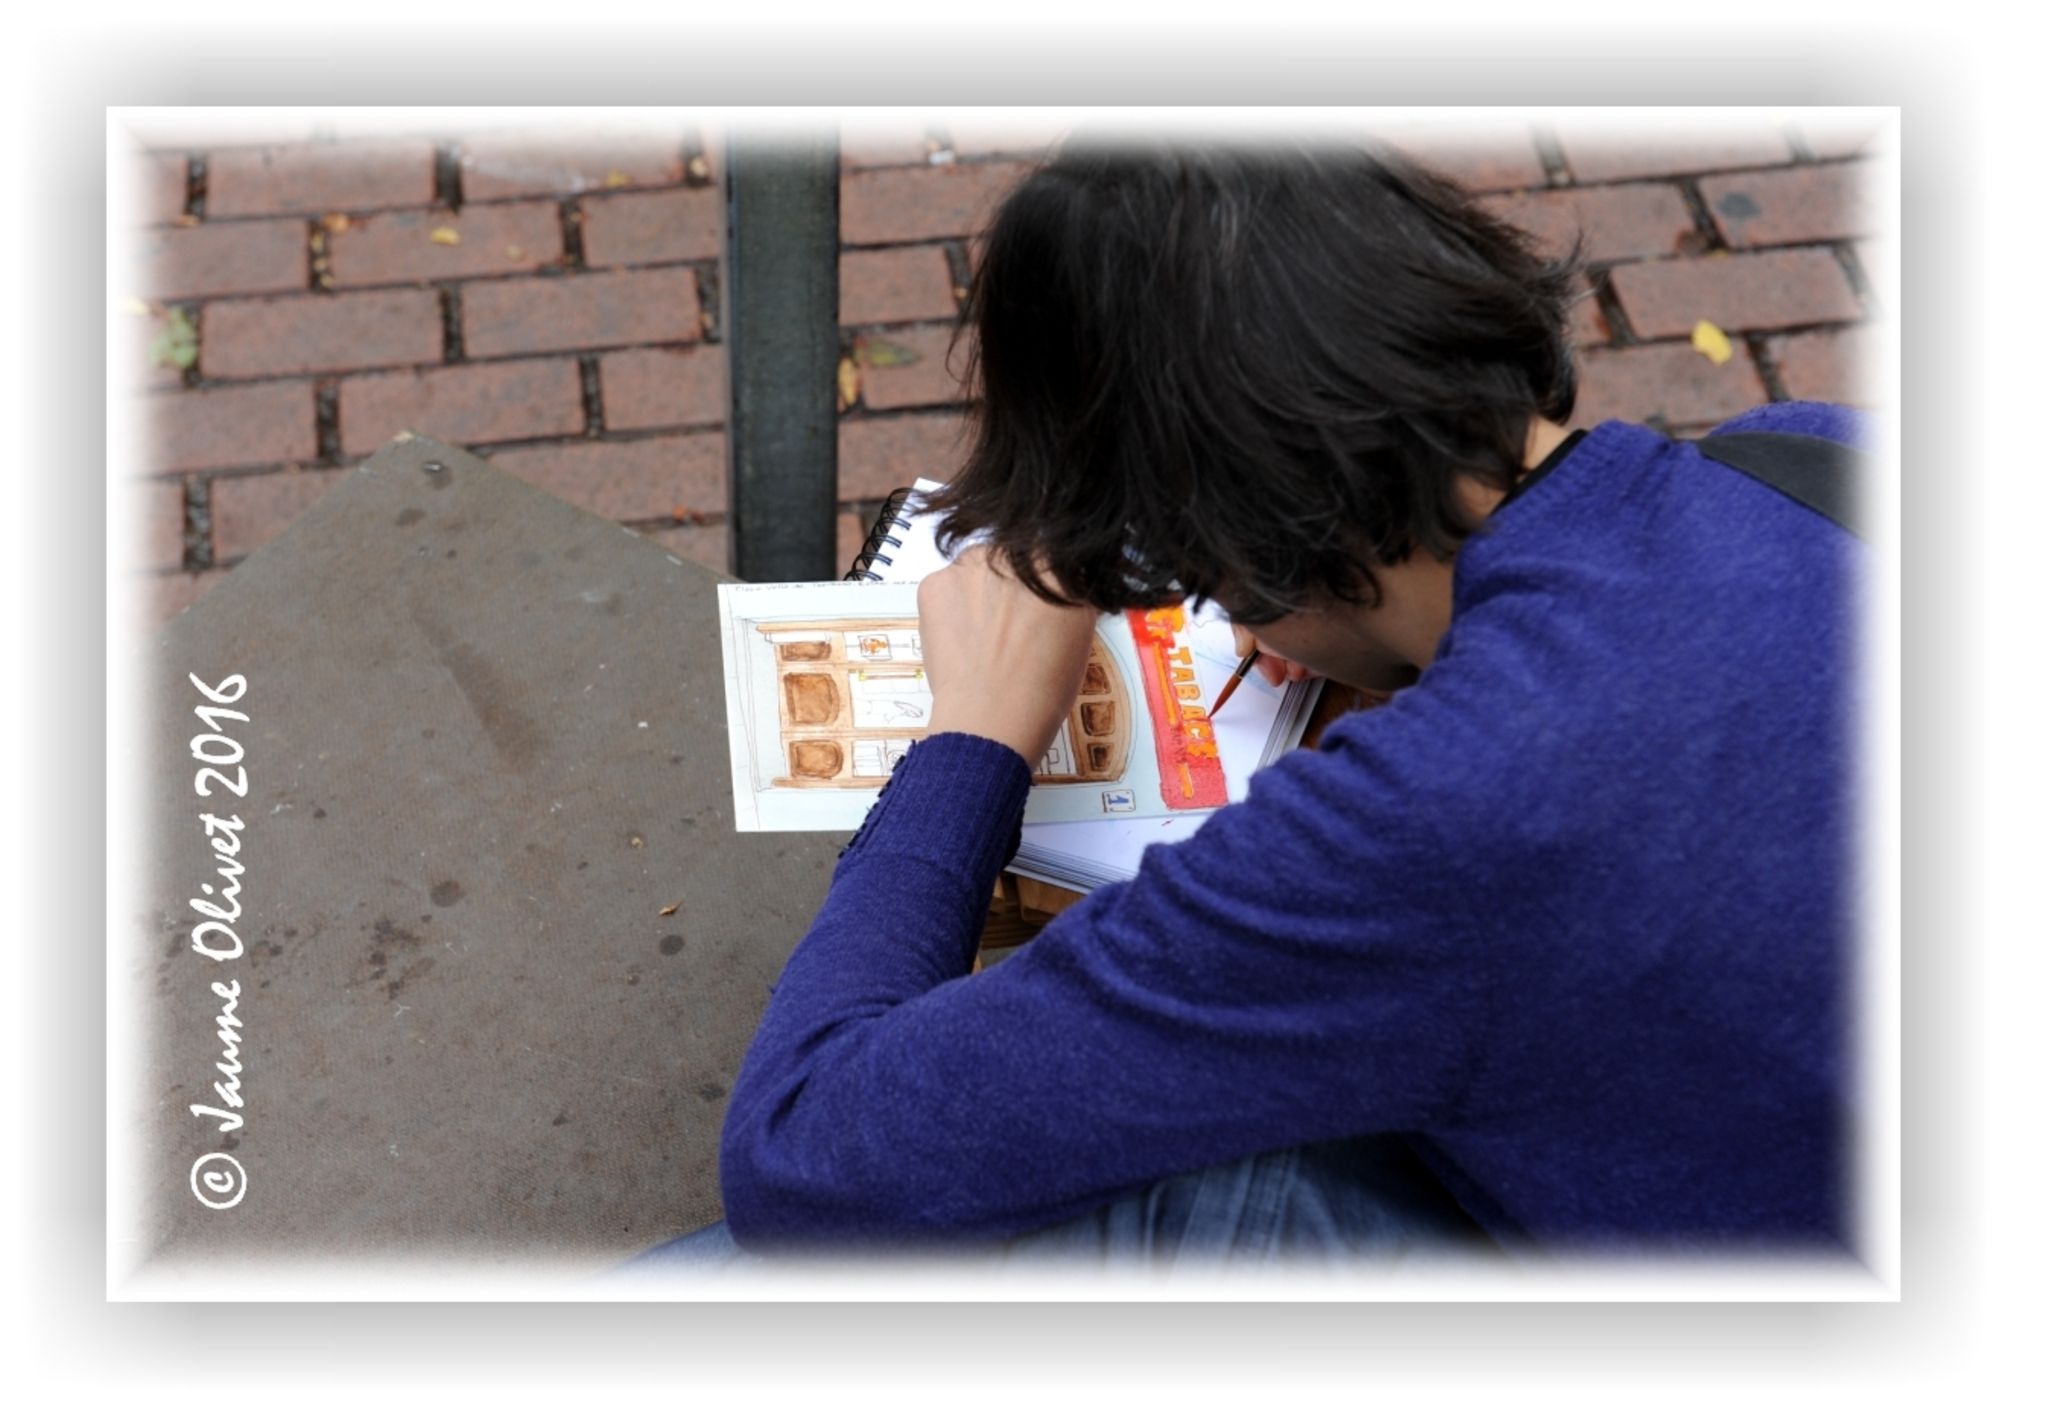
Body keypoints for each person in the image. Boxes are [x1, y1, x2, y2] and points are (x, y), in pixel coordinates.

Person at [624, 133, 1863, 1274]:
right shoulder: (1813, 455)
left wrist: (974, 736)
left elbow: (803, 1162)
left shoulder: (1429, 817)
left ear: (1230, 540)